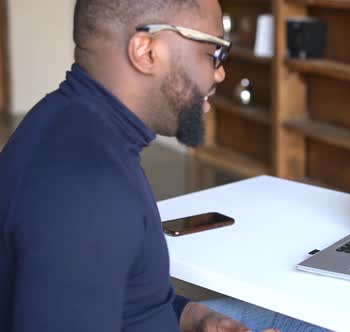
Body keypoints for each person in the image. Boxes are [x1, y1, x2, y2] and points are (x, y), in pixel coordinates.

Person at [0, 0, 328, 331]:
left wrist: (192, 317)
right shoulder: (90, 189)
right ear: (146, 52)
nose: (219, 72)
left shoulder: (65, 119)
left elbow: (131, 301)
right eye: (211, 52)